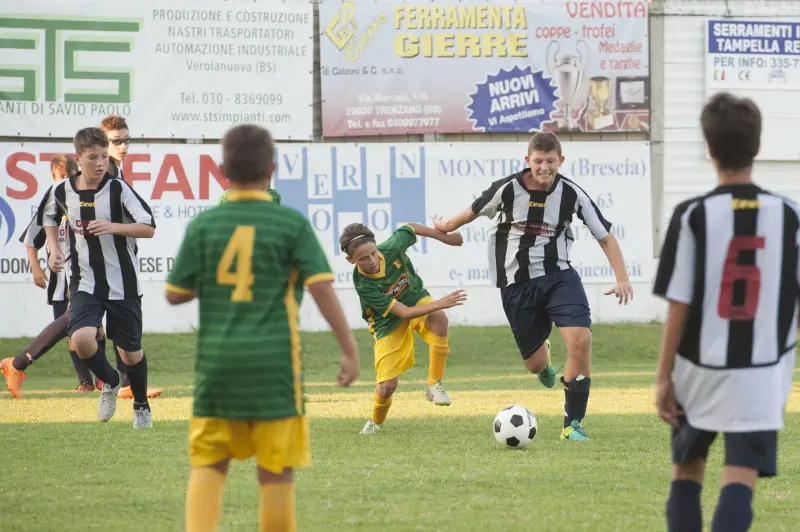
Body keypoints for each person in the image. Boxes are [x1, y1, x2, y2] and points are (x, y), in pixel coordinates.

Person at [165, 124, 360, 532]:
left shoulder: (204, 226)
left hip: (217, 367)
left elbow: (174, 294)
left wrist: (214, 281)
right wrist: (349, 349)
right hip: (275, 367)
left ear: (222, 171)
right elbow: (322, 287)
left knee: (210, 463)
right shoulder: (289, 223)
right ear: (271, 168)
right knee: (276, 471)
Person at [653, 93, 797, 532]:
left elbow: (679, 303)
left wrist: (663, 377)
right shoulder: (790, 217)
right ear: (757, 147)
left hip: (700, 367)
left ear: (709, 148)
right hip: (762, 371)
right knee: (740, 479)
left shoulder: (692, 215)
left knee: (687, 470)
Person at [433, 131, 633, 441]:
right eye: (538, 161)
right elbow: (473, 209)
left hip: (560, 278)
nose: (544, 167)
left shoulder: (572, 194)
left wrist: (622, 278)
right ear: (528, 161)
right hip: (517, 285)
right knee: (534, 363)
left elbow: (605, 236)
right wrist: (445, 227)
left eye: (550, 161)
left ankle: (572, 425)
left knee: (581, 341)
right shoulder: (508, 189)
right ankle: (543, 363)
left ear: (560, 161)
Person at [38, 127, 156, 429]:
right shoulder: (62, 189)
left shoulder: (118, 188)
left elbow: (148, 226)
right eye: (93, 157)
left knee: (130, 352)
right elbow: (48, 218)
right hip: (84, 281)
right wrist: (53, 249)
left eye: (104, 156)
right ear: (79, 158)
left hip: (122, 283)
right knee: (80, 339)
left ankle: (141, 406)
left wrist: (113, 226)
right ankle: (111, 380)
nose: (101, 162)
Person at [339, 222, 466, 435]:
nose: (371, 261)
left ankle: (434, 384)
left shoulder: (391, 248)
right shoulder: (364, 284)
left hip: (414, 297)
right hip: (387, 322)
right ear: (351, 260)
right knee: (387, 386)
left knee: (439, 318)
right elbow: (404, 313)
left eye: (373, 253)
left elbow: (411, 228)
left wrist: (447, 238)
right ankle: (376, 422)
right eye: (362, 258)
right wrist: (440, 302)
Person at [1, 155, 97, 395]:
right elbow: (32, 238)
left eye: (68, 177)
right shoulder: (52, 202)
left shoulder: (83, 201)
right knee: (73, 330)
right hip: (60, 278)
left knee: (89, 327)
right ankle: (86, 381)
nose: (63, 182)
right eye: (59, 178)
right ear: (53, 179)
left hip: (85, 273)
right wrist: (36, 267)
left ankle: (98, 380)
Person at [97, 114, 163, 400]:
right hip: (102, 262)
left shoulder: (117, 172)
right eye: (116, 141)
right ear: (103, 143)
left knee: (117, 321)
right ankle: (21, 361)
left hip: (117, 260)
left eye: (126, 140)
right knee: (77, 322)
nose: (123, 146)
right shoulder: (107, 174)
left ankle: (125, 383)